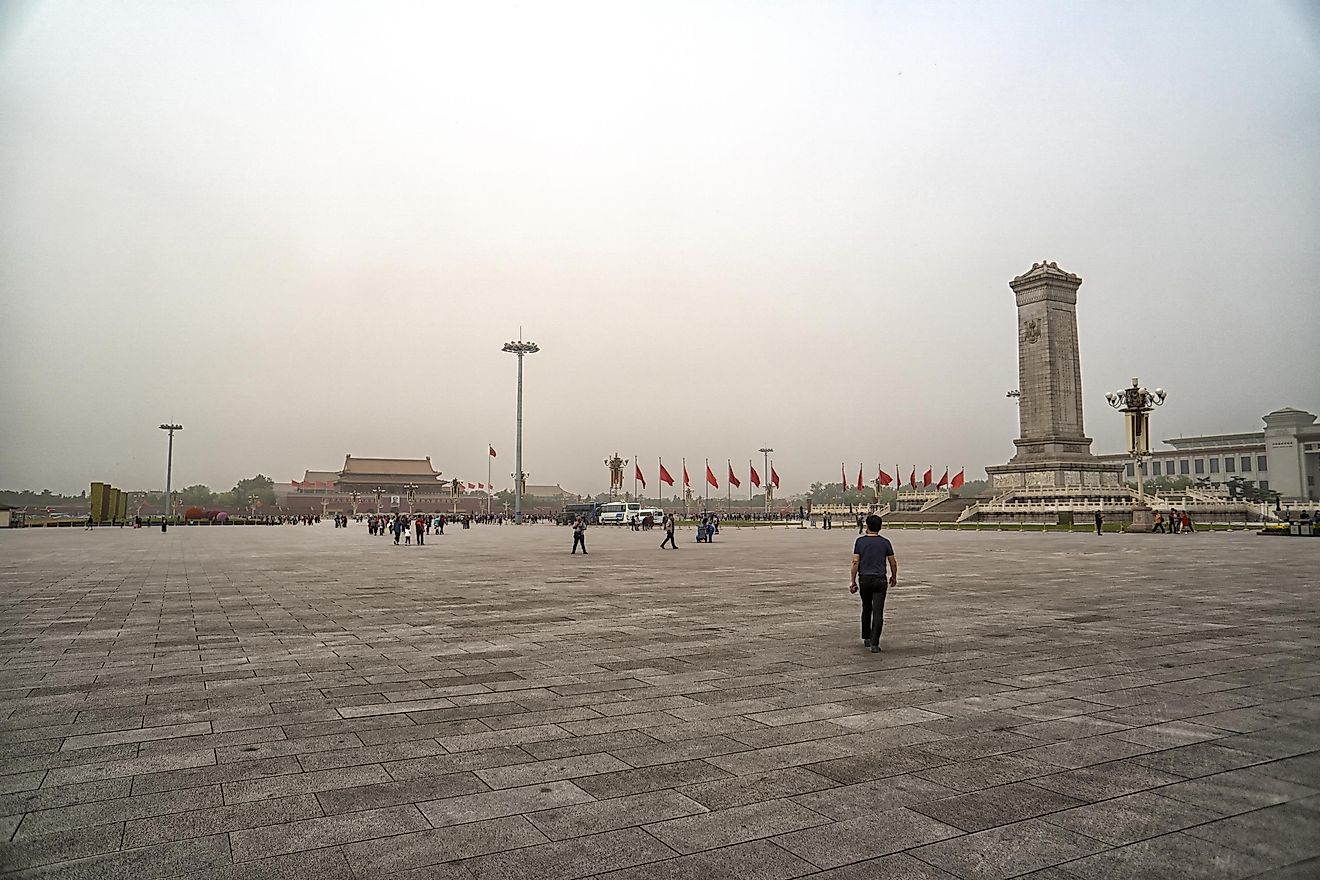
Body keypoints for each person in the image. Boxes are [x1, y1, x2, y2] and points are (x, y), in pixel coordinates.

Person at [849, 514, 897, 653]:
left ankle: (866, 637)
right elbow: (893, 562)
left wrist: (853, 581)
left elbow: (855, 562)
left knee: (866, 608)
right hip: (880, 580)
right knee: (878, 611)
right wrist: (894, 576)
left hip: (865, 579)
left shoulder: (860, 542)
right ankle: (875, 643)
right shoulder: (885, 542)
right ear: (880, 527)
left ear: (867, 526)